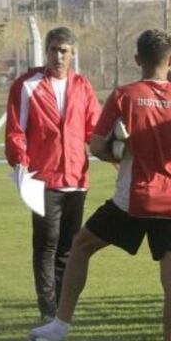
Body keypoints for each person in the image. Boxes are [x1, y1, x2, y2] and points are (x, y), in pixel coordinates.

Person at [30, 30, 171, 341]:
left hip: (134, 198)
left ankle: (61, 324)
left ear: (137, 60)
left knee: (80, 247)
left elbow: (95, 146)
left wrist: (118, 150)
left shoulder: (125, 95)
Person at [5, 27, 100, 323]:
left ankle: (62, 307)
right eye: (54, 50)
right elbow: (16, 130)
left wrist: (117, 149)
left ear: (73, 54)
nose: (58, 56)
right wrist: (21, 163)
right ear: (45, 52)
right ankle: (48, 310)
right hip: (42, 179)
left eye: (64, 51)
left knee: (69, 247)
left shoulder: (83, 86)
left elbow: (93, 129)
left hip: (77, 179)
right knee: (46, 243)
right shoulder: (27, 85)